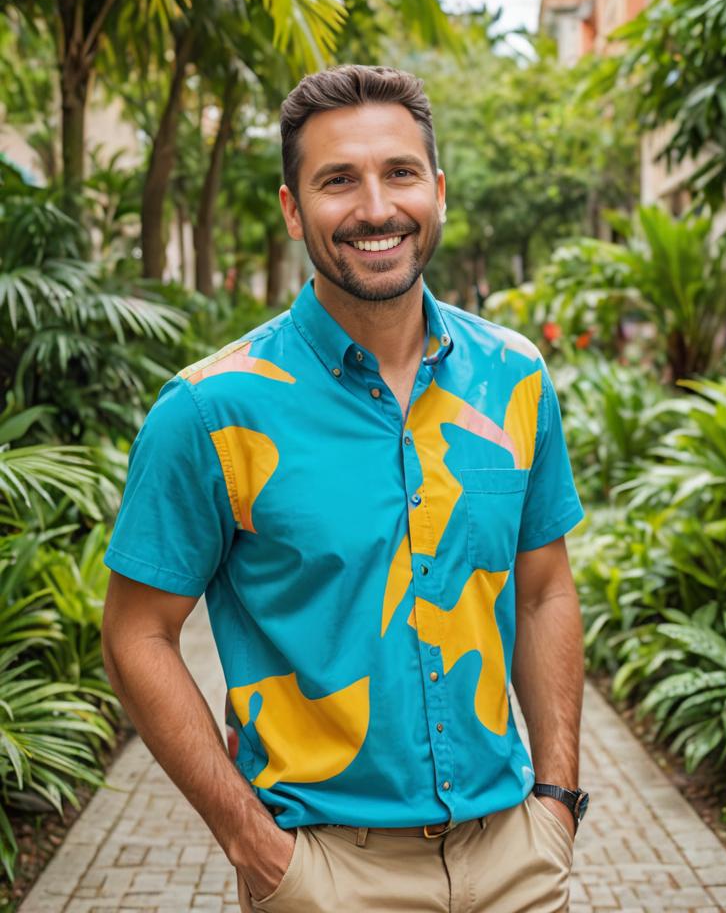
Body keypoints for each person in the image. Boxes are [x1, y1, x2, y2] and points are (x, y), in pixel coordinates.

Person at [101, 64, 589, 913]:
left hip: (514, 855)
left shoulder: (515, 376)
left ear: (436, 191)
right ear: (293, 208)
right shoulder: (211, 409)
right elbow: (136, 634)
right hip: (324, 873)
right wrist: (250, 842)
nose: (375, 208)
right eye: (338, 181)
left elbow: (545, 589)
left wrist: (557, 802)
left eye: (399, 173)